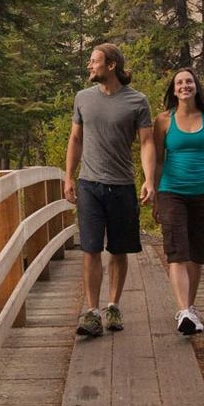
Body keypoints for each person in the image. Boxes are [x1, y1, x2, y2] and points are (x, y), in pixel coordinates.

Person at [63, 43, 156, 338]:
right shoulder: (82, 98)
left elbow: (146, 143)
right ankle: (92, 312)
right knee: (90, 248)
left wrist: (149, 179)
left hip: (122, 185)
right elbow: (75, 139)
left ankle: (113, 305)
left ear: (111, 65)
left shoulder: (137, 101)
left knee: (118, 249)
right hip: (89, 184)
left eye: (94, 61)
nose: (90, 66)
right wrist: (68, 177)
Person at [150, 68, 204, 335]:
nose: (184, 86)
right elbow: (158, 160)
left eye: (189, 82)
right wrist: (156, 195)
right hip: (172, 191)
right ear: (173, 90)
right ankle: (183, 309)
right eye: (180, 83)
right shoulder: (163, 121)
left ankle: (190, 308)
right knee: (176, 251)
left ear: (196, 86)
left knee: (198, 252)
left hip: (203, 191)